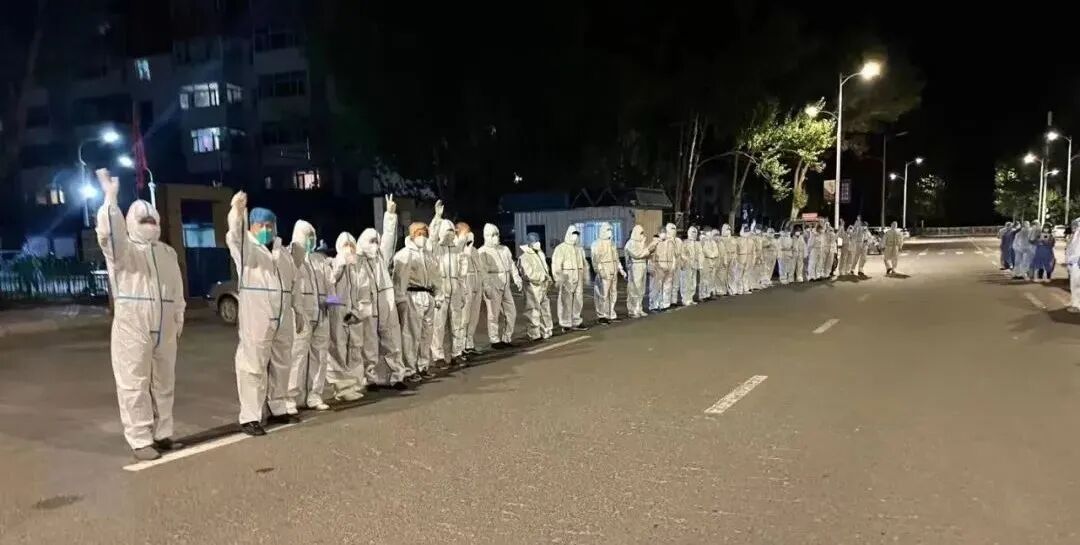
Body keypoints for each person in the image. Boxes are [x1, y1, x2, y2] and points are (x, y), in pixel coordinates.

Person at [94, 168, 186, 461]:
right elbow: (109, 234)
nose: (149, 225)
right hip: (133, 324)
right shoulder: (123, 251)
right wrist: (111, 199)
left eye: (152, 220)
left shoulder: (167, 253)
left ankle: (163, 433)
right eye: (143, 220)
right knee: (134, 383)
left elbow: (177, 291)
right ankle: (140, 439)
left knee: (164, 382)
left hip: (165, 325)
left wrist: (178, 319)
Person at [226, 192, 305, 436]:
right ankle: (250, 416)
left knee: (282, 363)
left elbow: (293, 284)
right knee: (253, 366)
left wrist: (298, 310)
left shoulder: (283, 254)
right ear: (251, 226)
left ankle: (278, 406)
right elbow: (235, 235)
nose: (266, 229)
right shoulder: (247, 249)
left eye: (270, 225)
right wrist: (237, 212)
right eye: (260, 225)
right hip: (257, 317)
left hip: (283, 317)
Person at [357, 200, 408, 389]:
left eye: (376, 241)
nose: (375, 245)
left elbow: (388, 238)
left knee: (392, 341)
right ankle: (370, 379)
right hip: (368, 307)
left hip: (386, 304)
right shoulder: (356, 262)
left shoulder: (381, 257)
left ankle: (397, 376)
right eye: (371, 241)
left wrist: (390, 215)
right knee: (369, 344)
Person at [286, 220, 332, 413]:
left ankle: (315, 395)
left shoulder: (320, 261)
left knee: (320, 358)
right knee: (296, 358)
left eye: (313, 236)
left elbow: (332, 290)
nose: (311, 240)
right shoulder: (290, 259)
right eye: (308, 236)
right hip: (300, 316)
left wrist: (330, 302)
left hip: (321, 316)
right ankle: (290, 399)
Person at [393, 217, 441, 379]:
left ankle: (423, 365)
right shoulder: (404, 255)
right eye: (420, 233)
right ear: (413, 234)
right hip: (412, 296)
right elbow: (399, 279)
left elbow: (436, 277)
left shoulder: (428, 255)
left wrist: (438, 295)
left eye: (425, 234)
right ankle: (410, 369)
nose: (423, 237)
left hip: (427, 295)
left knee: (427, 334)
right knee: (411, 334)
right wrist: (400, 299)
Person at [325, 232, 370, 401]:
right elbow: (328, 287)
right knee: (338, 350)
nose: (349, 249)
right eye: (346, 246)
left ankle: (355, 384)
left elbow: (365, 293)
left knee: (355, 349)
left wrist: (359, 313)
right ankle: (342, 389)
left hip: (354, 315)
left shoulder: (359, 269)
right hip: (338, 314)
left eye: (352, 246)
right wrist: (336, 309)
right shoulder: (332, 264)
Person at [430, 215, 468, 368]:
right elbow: (432, 238)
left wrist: (463, 292)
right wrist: (437, 218)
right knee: (438, 326)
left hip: (455, 291)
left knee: (457, 324)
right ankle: (438, 356)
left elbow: (462, 274)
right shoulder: (436, 249)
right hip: (441, 291)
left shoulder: (457, 250)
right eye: (447, 231)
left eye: (452, 231)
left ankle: (456, 353)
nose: (450, 234)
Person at [478, 223, 522, 347]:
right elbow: (482, 272)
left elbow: (512, 265)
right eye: (493, 235)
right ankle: (494, 339)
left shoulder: (504, 249)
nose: (496, 237)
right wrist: (487, 286)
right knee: (493, 314)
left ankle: (507, 337)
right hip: (493, 283)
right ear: (487, 236)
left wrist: (517, 278)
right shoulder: (482, 252)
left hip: (505, 284)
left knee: (511, 312)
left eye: (497, 234)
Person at [519, 232, 554, 340]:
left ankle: (547, 330)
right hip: (532, 288)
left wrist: (548, 278)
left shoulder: (539, 254)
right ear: (529, 242)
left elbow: (544, 268)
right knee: (533, 311)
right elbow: (528, 274)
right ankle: (534, 334)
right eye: (535, 241)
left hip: (542, 287)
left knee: (545, 309)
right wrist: (542, 277)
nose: (537, 243)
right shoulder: (524, 257)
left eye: (538, 240)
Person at [552, 226, 588, 331]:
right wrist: (558, 277)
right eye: (573, 234)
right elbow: (556, 265)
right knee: (565, 300)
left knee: (578, 299)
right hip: (566, 277)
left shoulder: (579, 249)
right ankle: (565, 323)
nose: (575, 236)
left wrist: (585, 275)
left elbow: (584, 263)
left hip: (578, 275)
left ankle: (576, 320)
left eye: (577, 234)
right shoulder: (561, 248)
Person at [591, 222, 626, 322]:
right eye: (608, 230)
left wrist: (621, 269)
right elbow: (595, 260)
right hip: (604, 271)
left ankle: (611, 313)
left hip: (613, 270)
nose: (610, 232)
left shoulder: (612, 243)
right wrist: (600, 271)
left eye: (610, 230)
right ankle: (602, 315)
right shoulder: (597, 244)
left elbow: (616, 258)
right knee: (603, 294)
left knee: (613, 293)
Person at [458, 224, 484, 354]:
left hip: (476, 281)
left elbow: (479, 267)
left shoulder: (474, 250)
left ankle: (469, 343)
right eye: (466, 232)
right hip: (466, 281)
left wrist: (483, 282)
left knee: (474, 315)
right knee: (464, 316)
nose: (469, 234)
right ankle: (460, 346)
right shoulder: (457, 249)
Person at [623, 225, 655, 318]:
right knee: (634, 289)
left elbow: (645, 254)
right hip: (635, 267)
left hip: (642, 266)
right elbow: (637, 254)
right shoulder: (630, 243)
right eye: (641, 233)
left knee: (641, 289)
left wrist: (649, 251)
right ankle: (632, 310)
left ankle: (639, 308)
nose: (642, 235)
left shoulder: (641, 243)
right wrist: (648, 249)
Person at [649, 229, 675, 310]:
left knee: (667, 287)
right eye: (662, 232)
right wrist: (651, 267)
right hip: (658, 267)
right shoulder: (655, 243)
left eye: (665, 232)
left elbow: (673, 255)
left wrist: (673, 265)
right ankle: (654, 305)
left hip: (669, 267)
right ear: (659, 233)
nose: (664, 234)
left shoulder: (670, 243)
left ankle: (665, 304)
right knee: (656, 287)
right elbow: (650, 255)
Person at [679, 226, 702, 304]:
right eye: (692, 232)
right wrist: (686, 260)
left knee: (693, 282)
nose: (694, 234)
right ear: (689, 233)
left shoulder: (697, 244)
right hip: (686, 266)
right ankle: (685, 299)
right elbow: (682, 253)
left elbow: (700, 254)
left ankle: (690, 298)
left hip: (694, 265)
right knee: (686, 282)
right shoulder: (685, 243)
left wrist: (699, 264)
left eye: (695, 232)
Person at [717, 224, 737, 295]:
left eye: (729, 230)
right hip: (724, 257)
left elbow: (735, 249)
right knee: (723, 275)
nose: (728, 231)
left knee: (731, 274)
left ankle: (731, 289)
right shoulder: (721, 239)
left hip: (732, 257)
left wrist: (735, 257)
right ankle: (722, 290)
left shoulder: (733, 239)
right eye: (727, 230)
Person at [1065, 219, 1080, 312]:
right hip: (1073, 262)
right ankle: (1075, 302)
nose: (1073, 227)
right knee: (1074, 284)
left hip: (1077, 262)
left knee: (1076, 284)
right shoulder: (1075, 235)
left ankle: (1076, 305)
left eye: (1075, 225)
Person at [699, 228, 719, 299]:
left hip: (712, 261)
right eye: (708, 232)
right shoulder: (703, 241)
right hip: (705, 261)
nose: (709, 234)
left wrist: (713, 255)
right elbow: (705, 251)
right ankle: (703, 295)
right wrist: (712, 255)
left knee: (711, 279)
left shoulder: (713, 242)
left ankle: (709, 293)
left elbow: (716, 251)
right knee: (704, 279)